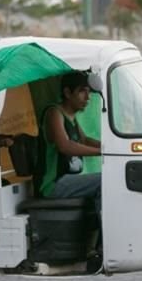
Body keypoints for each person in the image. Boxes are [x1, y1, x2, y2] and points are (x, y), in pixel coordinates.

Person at [40, 71, 102, 201]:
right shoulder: (54, 112)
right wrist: (101, 152)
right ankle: (105, 220)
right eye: (82, 91)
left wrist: (111, 147)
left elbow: (84, 140)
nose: (87, 97)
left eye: (88, 92)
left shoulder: (71, 117)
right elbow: (65, 145)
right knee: (105, 181)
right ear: (68, 93)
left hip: (68, 180)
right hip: (54, 184)